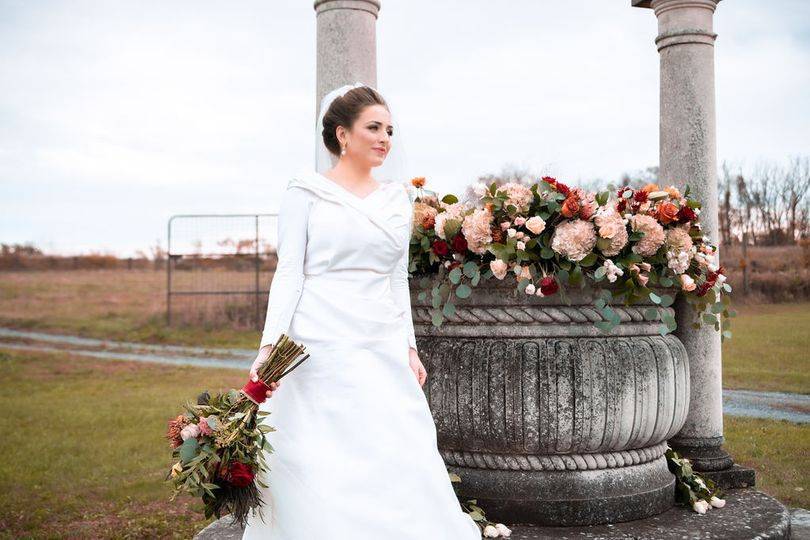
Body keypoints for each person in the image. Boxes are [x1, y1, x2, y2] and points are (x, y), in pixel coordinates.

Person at [240, 84, 481, 539]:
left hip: (379, 338)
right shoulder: (304, 192)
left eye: (389, 130)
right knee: (317, 447)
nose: (385, 138)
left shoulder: (396, 199)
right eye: (373, 127)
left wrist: (409, 347)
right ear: (342, 135)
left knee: (392, 441)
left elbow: (396, 279)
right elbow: (289, 272)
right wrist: (269, 346)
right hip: (317, 337)